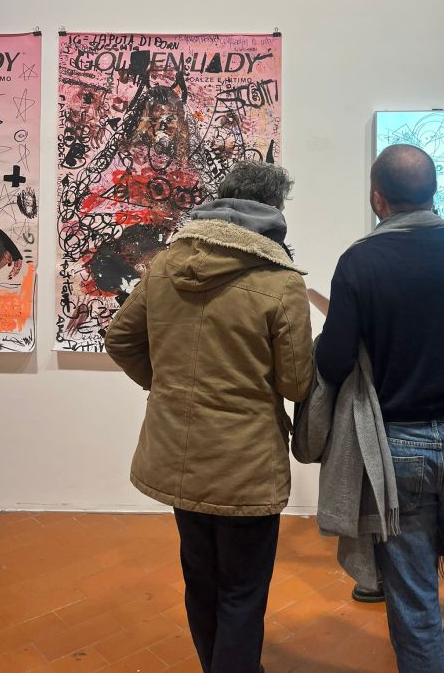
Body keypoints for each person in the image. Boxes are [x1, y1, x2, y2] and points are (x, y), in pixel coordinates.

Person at [315, 144, 444, 673]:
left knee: (413, 600)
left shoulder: (360, 261)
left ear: (377, 197)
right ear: (434, 193)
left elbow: (334, 359)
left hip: (398, 447)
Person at [105, 161, 313, 673]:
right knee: (243, 587)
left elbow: (120, 339)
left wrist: (170, 386)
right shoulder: (280, 283)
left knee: (200, 577)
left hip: (176, 452)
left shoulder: (165, 264)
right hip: (247, 463)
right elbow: (296, 383)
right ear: (273, 213)